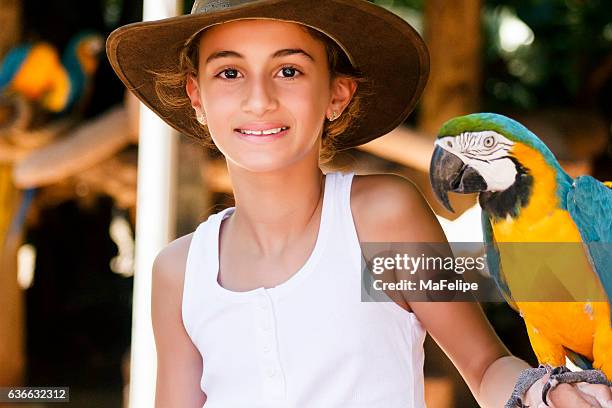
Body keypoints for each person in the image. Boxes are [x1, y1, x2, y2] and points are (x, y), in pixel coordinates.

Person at [106, 1, 612, 407]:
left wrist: (548, 392)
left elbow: (484, 367)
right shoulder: (180, 272)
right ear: (197, 95)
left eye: (288, 70)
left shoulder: (379, 220)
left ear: (337, 95)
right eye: (229, 73)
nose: (258, 99)